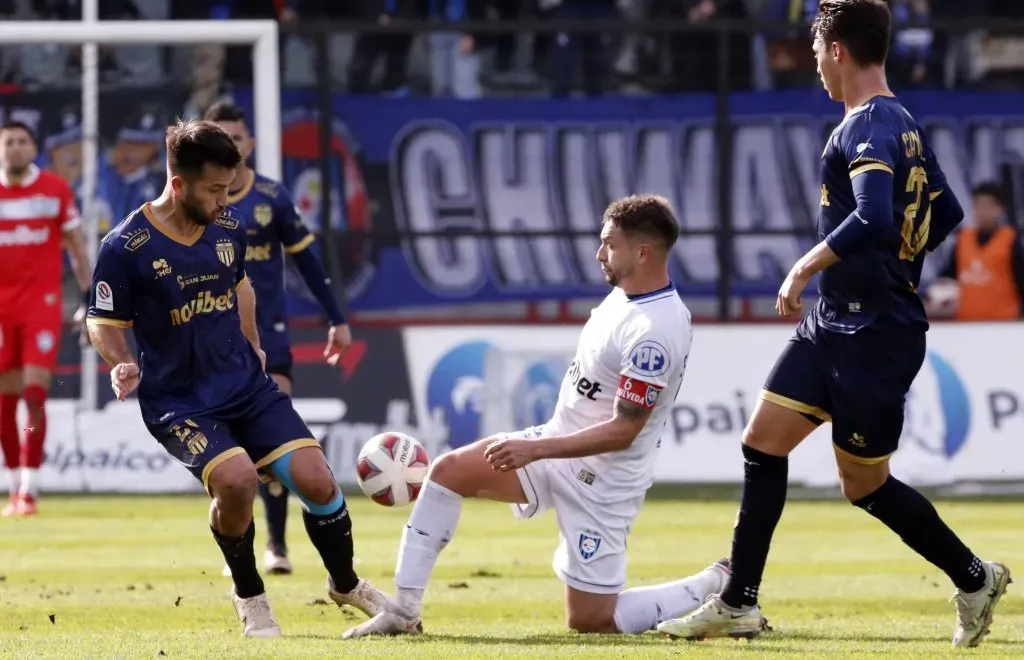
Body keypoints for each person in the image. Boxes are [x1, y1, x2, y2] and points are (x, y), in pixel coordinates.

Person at [656, 0, 1010, 648]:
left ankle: (974, 576)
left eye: (817, 50)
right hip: (835, 321)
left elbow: (874, 215)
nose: (815, 62)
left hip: (875, 333)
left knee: (864, 485)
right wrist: (897, 266)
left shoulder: (867, 126)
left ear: (838, 50)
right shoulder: (902, 122)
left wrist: (806, 265)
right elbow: (947, 213)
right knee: (762, 443)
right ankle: (738, 602)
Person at [343, 194, 739, 638]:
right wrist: (541, 446)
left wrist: (535, 449)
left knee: (590, 621)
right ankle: (403, 611)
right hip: (556, 444)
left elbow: (624, 431)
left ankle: (715, 582)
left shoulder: (656, 331)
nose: (599, 253)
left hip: (604, 482)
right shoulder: (623, 297)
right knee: (448, 472)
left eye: (610, 244)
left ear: (643, 252)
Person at [85, 119, 387, 637]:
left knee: (318, 480)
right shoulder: (126, 245)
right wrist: (119, 361)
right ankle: (250, 594)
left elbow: (240, 286)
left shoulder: (228, 225)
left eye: (228, 188)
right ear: (178, 184)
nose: (225, 200)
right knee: (237, 480)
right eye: (214, 190)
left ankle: (345, 584)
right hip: (180, 402)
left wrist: (253, 342)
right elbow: (101, 320)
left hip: (245, 385)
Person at [204, 101, 352, 577]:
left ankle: (277, 544)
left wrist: (337, 317)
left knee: (274, 438)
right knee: (233, 455)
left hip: (269, 336)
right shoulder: (197, 202)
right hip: (212, 339)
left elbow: (307, 260)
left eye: (236, 137)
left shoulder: (271, 196)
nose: (230, 145)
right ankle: (239, 541)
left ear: (249, 143)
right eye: (220, 137)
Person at [0, 120, 92, 517]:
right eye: (9, 142)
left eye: (23, 141)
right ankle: (13, 484)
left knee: (34, 394)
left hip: (40, 303)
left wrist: (90, 296)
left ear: (34, 148)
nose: (16, 147)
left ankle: (29, 488)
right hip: (1, 308)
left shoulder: (54, 189)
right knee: (4, 403)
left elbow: (76, 246)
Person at [932, 182, 1024, 321]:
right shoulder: (963, 239)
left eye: (988, 206)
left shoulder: (1011, 241)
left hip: (1004, 324)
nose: (982, 212)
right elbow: (948, 276)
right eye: (978, 206)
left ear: (1000, 209)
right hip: (967, 323)